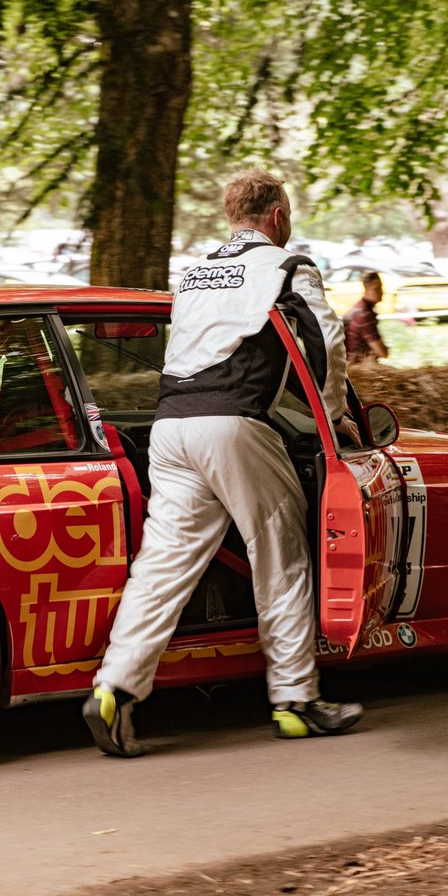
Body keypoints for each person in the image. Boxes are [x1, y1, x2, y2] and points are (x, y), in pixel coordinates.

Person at [83, 169, 364, 756]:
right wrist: (332, 413)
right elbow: (327, 341)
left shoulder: (194, 273)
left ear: (231, 217)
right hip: (234, 424)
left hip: (171, 427)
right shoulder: (287, 267)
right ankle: (295, 702)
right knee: (281, 552)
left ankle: (114, 689)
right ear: (279, 218)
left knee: (162, 565)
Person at [344, 271, 389, 363]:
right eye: (376, 289)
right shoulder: (364, 316)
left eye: (381, 287)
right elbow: (383, 353)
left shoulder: (358, 308)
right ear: (366, 290)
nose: (381, 292)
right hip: (357, 367)